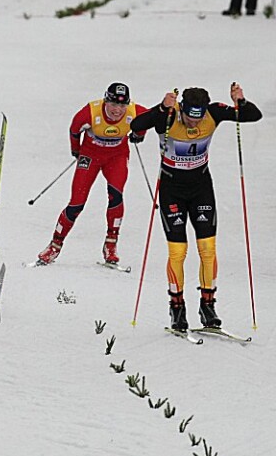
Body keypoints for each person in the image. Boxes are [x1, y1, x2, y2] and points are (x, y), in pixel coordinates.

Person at [130, 84, 262, 331]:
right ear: (182, 109)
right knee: (178, 252)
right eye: (190, 117)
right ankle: (177, 308)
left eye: (198, 118)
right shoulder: (169, 116)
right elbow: (137, 125)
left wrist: (240, 101)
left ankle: (208, 305)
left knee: (207, 249)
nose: (194, 123)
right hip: (172, 189)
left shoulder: (213, 113)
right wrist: (162, 108)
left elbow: (253, 115)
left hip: (201, 188)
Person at [36, 82, 149, 266]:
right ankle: (54, 245)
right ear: (106, 101)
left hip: (117, 157)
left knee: (116, 196)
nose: (117, 110)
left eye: (122, 105)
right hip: (90, 156)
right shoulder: (90, 112)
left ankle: (111, 244)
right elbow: (74, 129)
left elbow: (152, 117)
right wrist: (76, 150)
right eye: (113, 104)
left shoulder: (134, 111)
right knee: (77, 202)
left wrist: (140, 133)